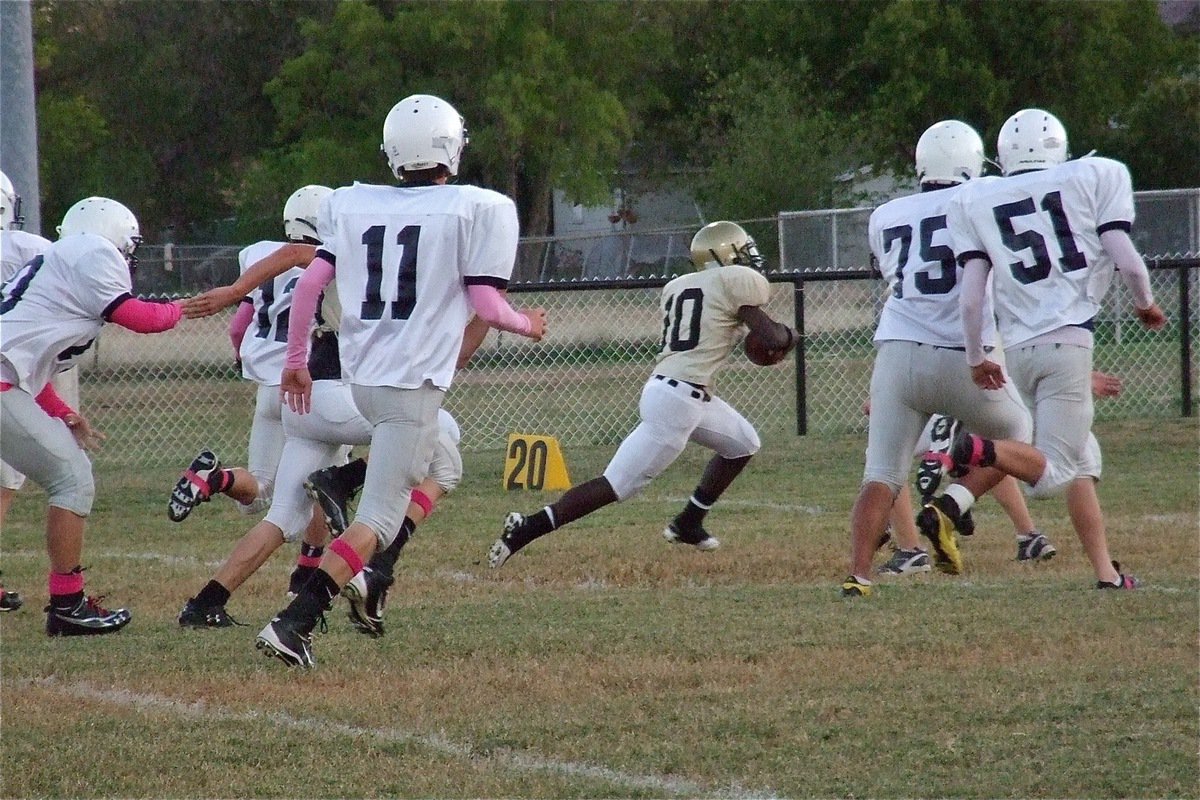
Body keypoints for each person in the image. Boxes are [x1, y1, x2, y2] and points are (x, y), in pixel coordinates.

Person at [254, 93, 547, 668]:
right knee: (380, 520)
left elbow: (310, 288)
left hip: (363, 376)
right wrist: (526, 324)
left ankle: (348, 500)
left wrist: (294, 358)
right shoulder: (479, 207)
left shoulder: (352, 203)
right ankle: (296, 621)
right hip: (408, 387)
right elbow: (487, 302)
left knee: (444, 465)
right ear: (451, 148)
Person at [941, 107, 1165, 590]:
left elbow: (972, 297)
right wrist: (1145, 304)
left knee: (1082, 461)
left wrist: (977, 357)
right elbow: (1128, 262)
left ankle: (1107, 573)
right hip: (1067, 339)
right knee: (1056, 471)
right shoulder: (1092, 176)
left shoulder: (980, 199)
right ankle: (977, 448)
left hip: (1019, 350)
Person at [488, 219, 797, 570]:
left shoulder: (682, 284)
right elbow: (769, 339)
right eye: (743, 251)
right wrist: (789, 335)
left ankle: (689, 522)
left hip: (677, 391)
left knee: (743, 443)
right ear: (724, 254)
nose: (750, 258)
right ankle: (526, 527)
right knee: (616, 485)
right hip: (680, 401)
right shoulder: (734, 283)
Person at [843, 120, 1041, 597]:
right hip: (963, 354)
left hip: (897, 354)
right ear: (972, 163)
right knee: (1020, 440)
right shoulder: (984, 196)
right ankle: (958, 486)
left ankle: (859, 576)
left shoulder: (885, 214)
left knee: (881, 474)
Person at [0, 196, 186, 635]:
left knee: (67, 475)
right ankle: (67, 604)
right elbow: (139, 317)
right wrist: (185, 308)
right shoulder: (93, 251)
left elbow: (25, 362)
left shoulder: (56, 265)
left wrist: (64, 413)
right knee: (72, 479)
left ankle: (68, 603)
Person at [166, 185, 333, 524]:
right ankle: (311, 564)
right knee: (327, 475)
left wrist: (242, 358)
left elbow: (238, 328)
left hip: (269, 389)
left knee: (258, 491)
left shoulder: (259, 255)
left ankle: (218, 477)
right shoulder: (331, 260)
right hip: (308, 384)